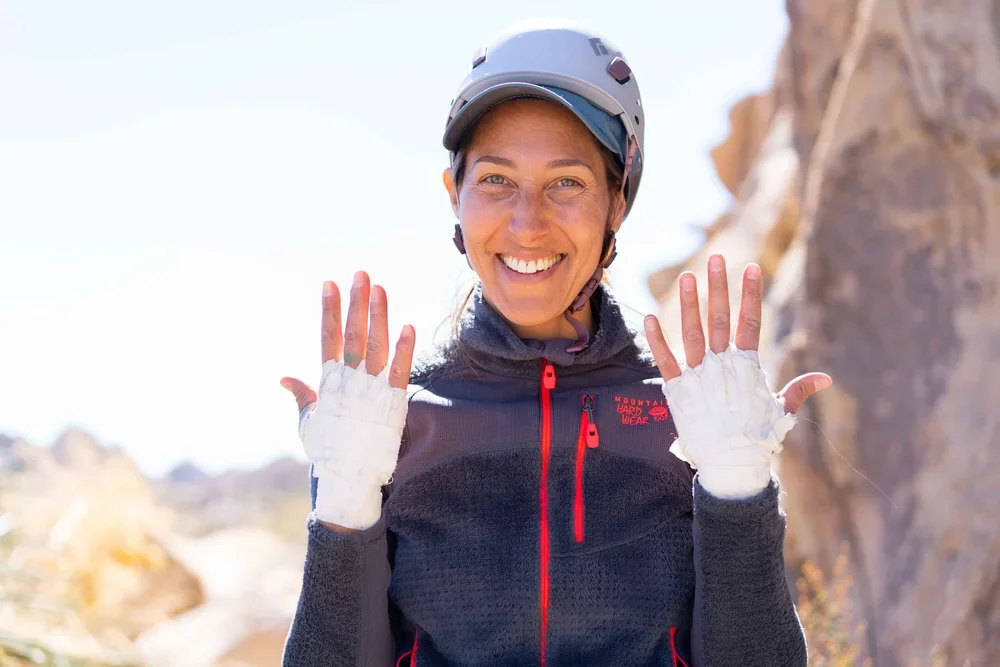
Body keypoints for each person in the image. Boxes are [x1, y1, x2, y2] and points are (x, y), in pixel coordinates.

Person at [279, 22, 831, 667]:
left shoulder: (695, 420)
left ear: (616, 203)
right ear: (453, 195)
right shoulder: (388, 424)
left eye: (567, 182)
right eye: (494, 181)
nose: (526, 222)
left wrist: (738, 490)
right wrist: (343, 507)